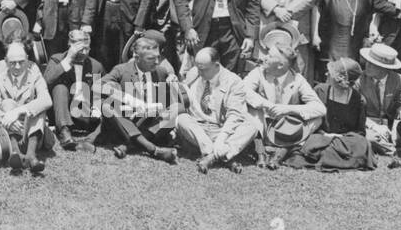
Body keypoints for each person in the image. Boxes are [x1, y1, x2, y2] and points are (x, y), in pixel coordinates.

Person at [242, 30, 326, 168]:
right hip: (261, 126)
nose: (264, 58)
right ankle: (260, 153)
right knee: (248, 108)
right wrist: (267, 105)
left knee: (317, 119)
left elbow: (320, 108)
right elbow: (242, 90)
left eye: (269, 56)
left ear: (280, 65)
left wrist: (286, 109)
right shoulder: (258, 72)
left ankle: (280, 154)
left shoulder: (298, 79)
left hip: (287, 129)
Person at [99, 32, 179, 164]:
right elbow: (97, 86)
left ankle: (128, 145)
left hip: (148, 122)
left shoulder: (161, 72)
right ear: (136, 57)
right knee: (107, 105)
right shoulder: (121, 69)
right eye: (150, 59)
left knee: (174, 110)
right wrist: (129, 99)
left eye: (158, 57)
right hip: (125, 122)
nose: (157, 62)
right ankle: (153, 149)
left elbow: (173, 101)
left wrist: (172, 81)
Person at [176, 46, 258, 174]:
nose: (199, 72)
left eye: (203, 69)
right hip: (199, 128)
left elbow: (235, 115)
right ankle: (224, 155)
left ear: (217, 65)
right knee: (181, 119)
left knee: (251, 127)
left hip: (221, 128)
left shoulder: (233, 81)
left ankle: (212, 157)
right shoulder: (194, 72)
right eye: (197, 67)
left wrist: (221, 138)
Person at [285, 58, 375, 171]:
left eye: (331, 73)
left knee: (361, 143)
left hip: (344, 141)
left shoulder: (359, 100)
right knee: (313, 142)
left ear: (339, 79)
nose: (327, 73)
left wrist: (339, 137)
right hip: (320, 137)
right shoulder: (319, 90)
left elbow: (360, 131)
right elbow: (308, 120)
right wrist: (325, 135)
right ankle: (338, 159)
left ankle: (327, 157)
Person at [0, 41, 52, 173]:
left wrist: (19, 111)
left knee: (36, 108)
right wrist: (5, 119)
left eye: (21, 62)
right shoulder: (0, 78)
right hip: (8, 132)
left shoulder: (35, 75)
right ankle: (15, 152)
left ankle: (31, 155)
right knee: (7, 103)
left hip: (31, 131)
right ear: (5, 61)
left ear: (27, 60)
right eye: (12, 63)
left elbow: (47, 100)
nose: (17, 66)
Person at [43, 28, 106, 152]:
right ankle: (64, 133)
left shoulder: (96, 66)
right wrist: (68, 60)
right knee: (60, 87)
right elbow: (45, 82)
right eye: (78, 48)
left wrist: (97, 109)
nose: (82, 52)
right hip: (61, 113)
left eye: (86, 48)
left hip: (85, 114)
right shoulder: (57, 59)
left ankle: (92, 138)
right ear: (69, 45)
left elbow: (102, 92)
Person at [359, 41, 401, 155]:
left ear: (385, 68)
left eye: (372, 64)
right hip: (366, 124)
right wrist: (374, 126)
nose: (367, 66)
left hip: (390, 127)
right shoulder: (359, 80)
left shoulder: (400, 81)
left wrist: (395, 130)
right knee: (367, 137)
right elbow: (355, 111)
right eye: (367, 62)